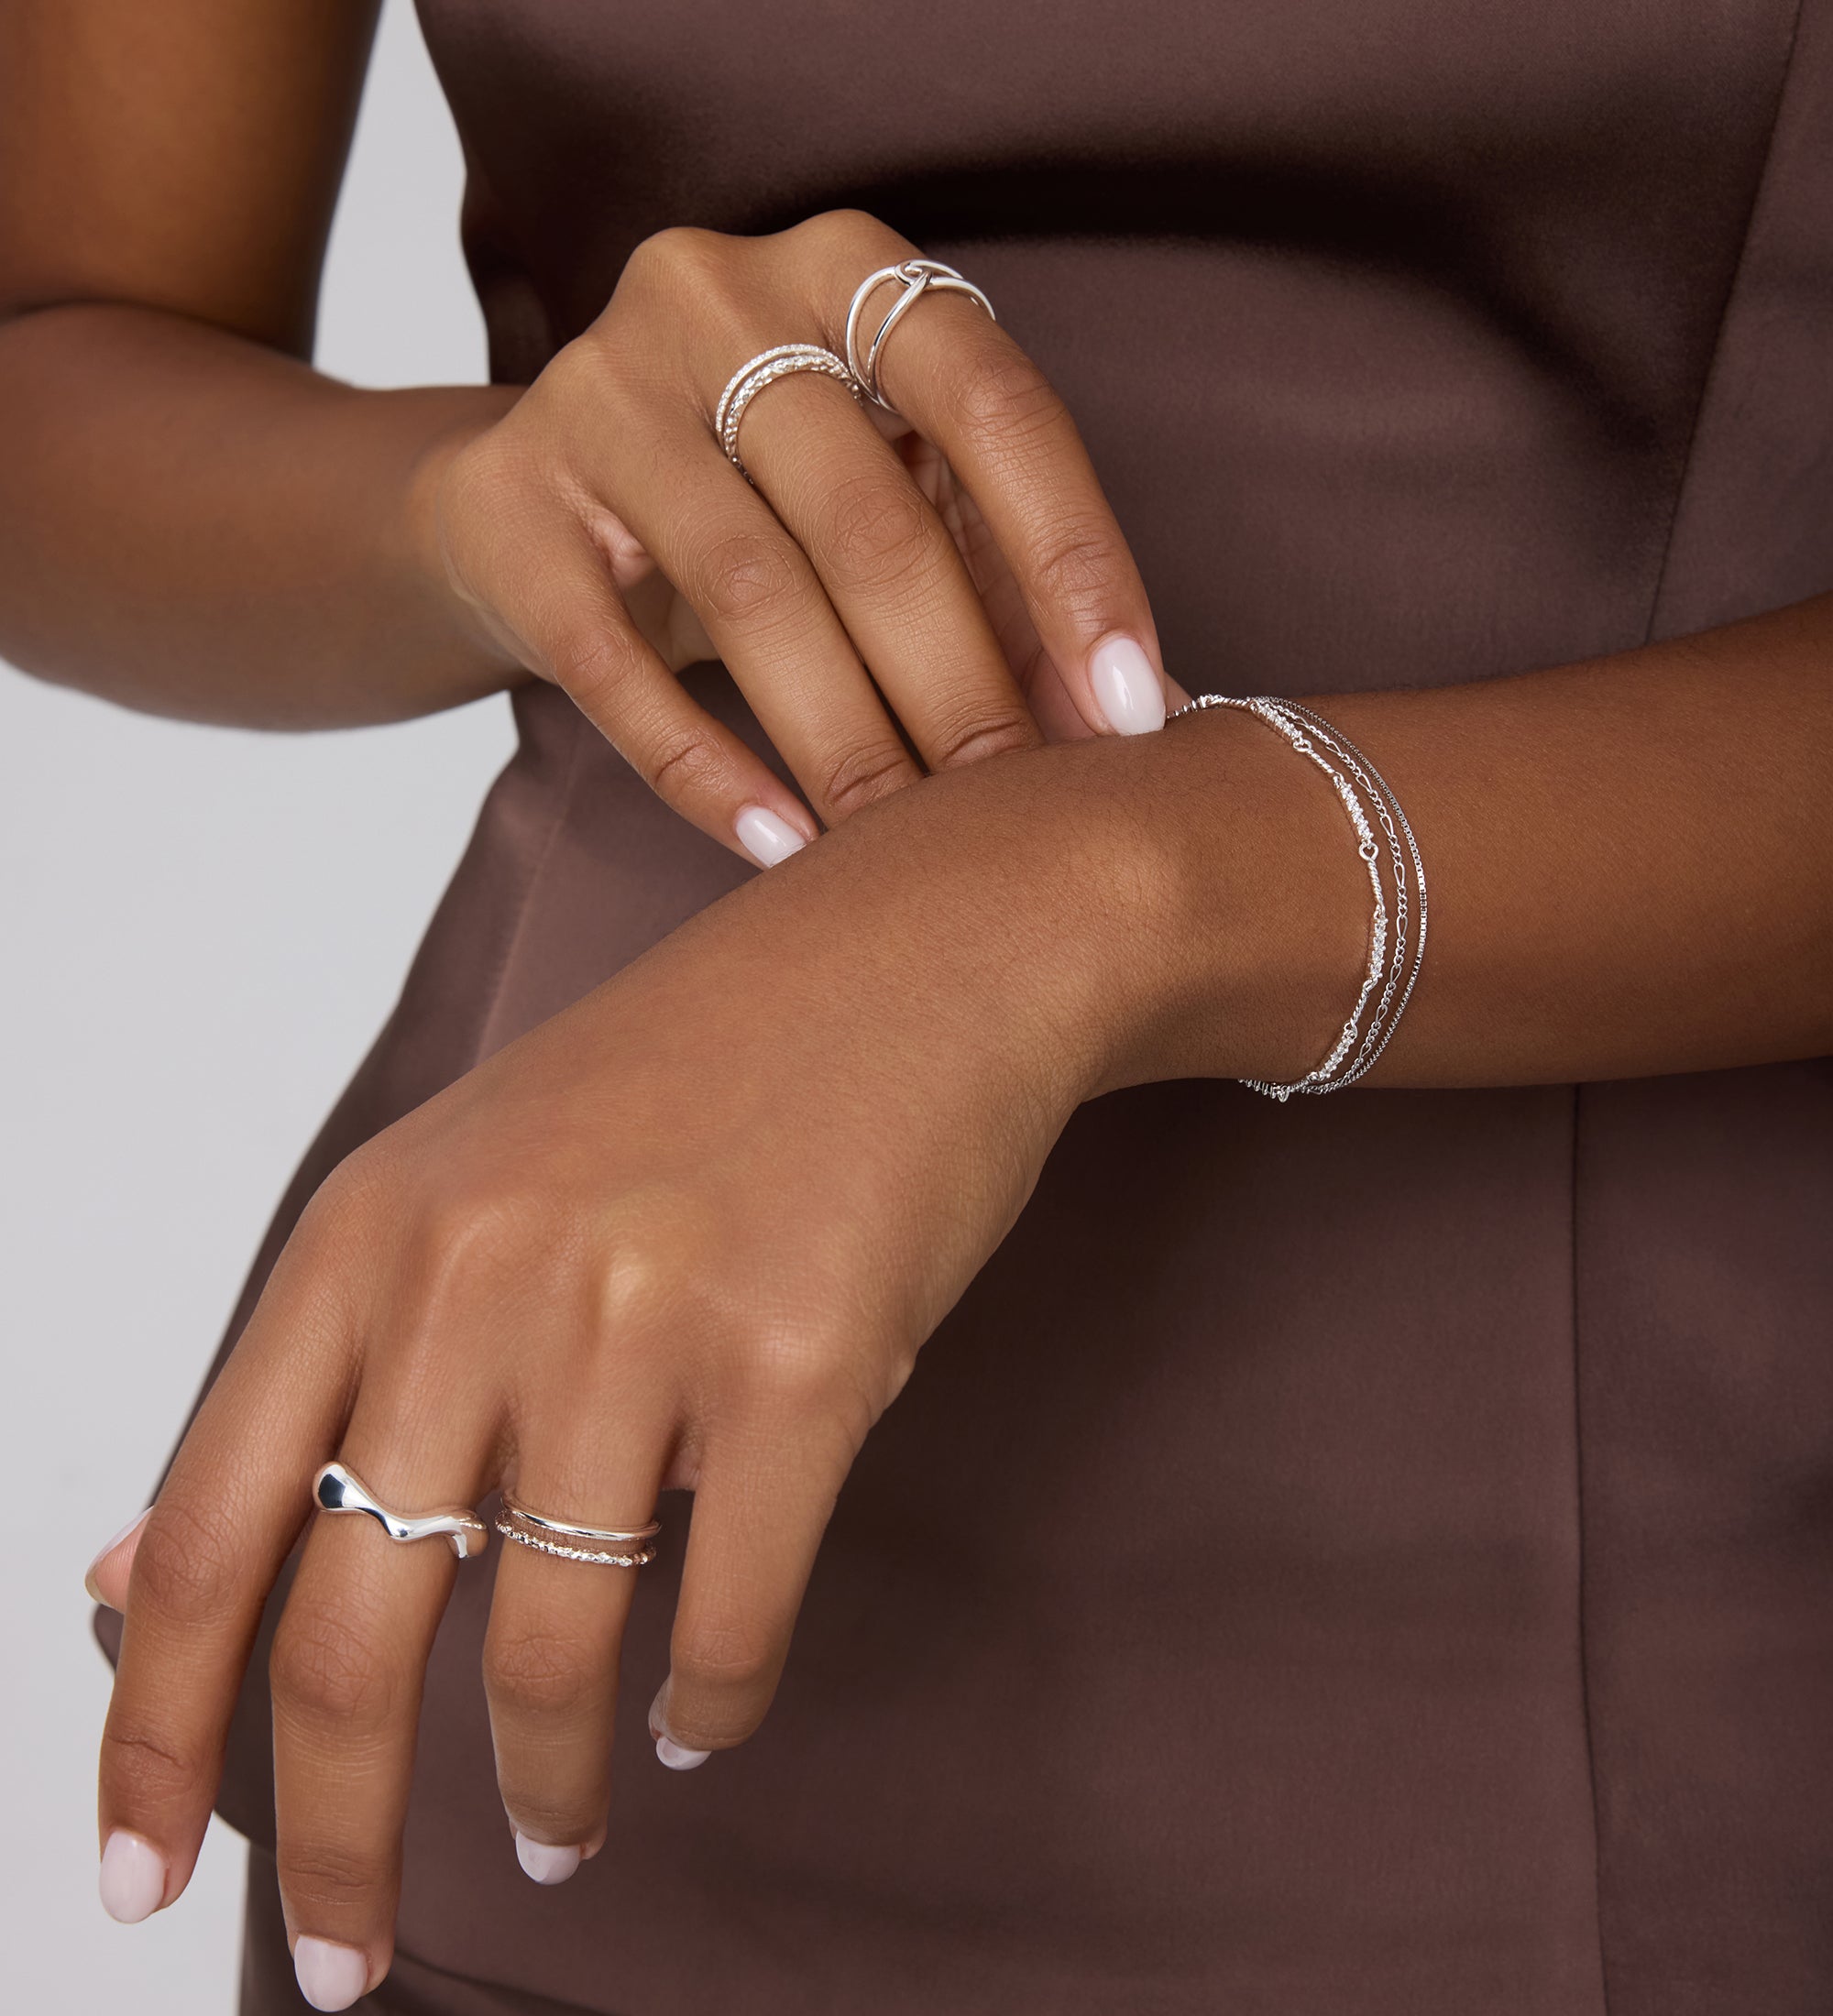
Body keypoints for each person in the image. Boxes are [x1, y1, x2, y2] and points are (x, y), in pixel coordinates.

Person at [4, 1, 1829, 2010]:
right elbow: (60, 352)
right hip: (553, 1583)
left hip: (1642, 1685)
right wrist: (490, 505)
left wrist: (1097, 885)